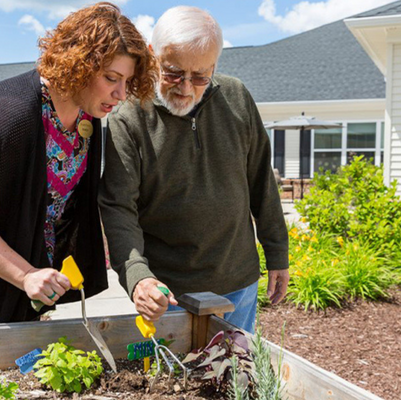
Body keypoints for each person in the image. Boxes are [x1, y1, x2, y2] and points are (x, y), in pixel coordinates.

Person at [0, 2, 156, 325]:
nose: (121, 94)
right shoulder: (10, 115)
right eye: (112, 78)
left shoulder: (88, 120)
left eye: (127, 82)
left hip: (21, 287)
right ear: (80, 63)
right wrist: (25, 274)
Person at [98, 6, 289, 333]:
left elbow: (261, 181)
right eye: (173, 73)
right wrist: (138, 277)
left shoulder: (236, 96)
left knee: (236, 378)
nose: (186, 88)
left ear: (214, 66)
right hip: (169, 293)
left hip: (238, 281)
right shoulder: (129, 117)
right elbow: (118, 207)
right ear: (152, 55)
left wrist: (277, 252)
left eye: (201, 76)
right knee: (175, 382)